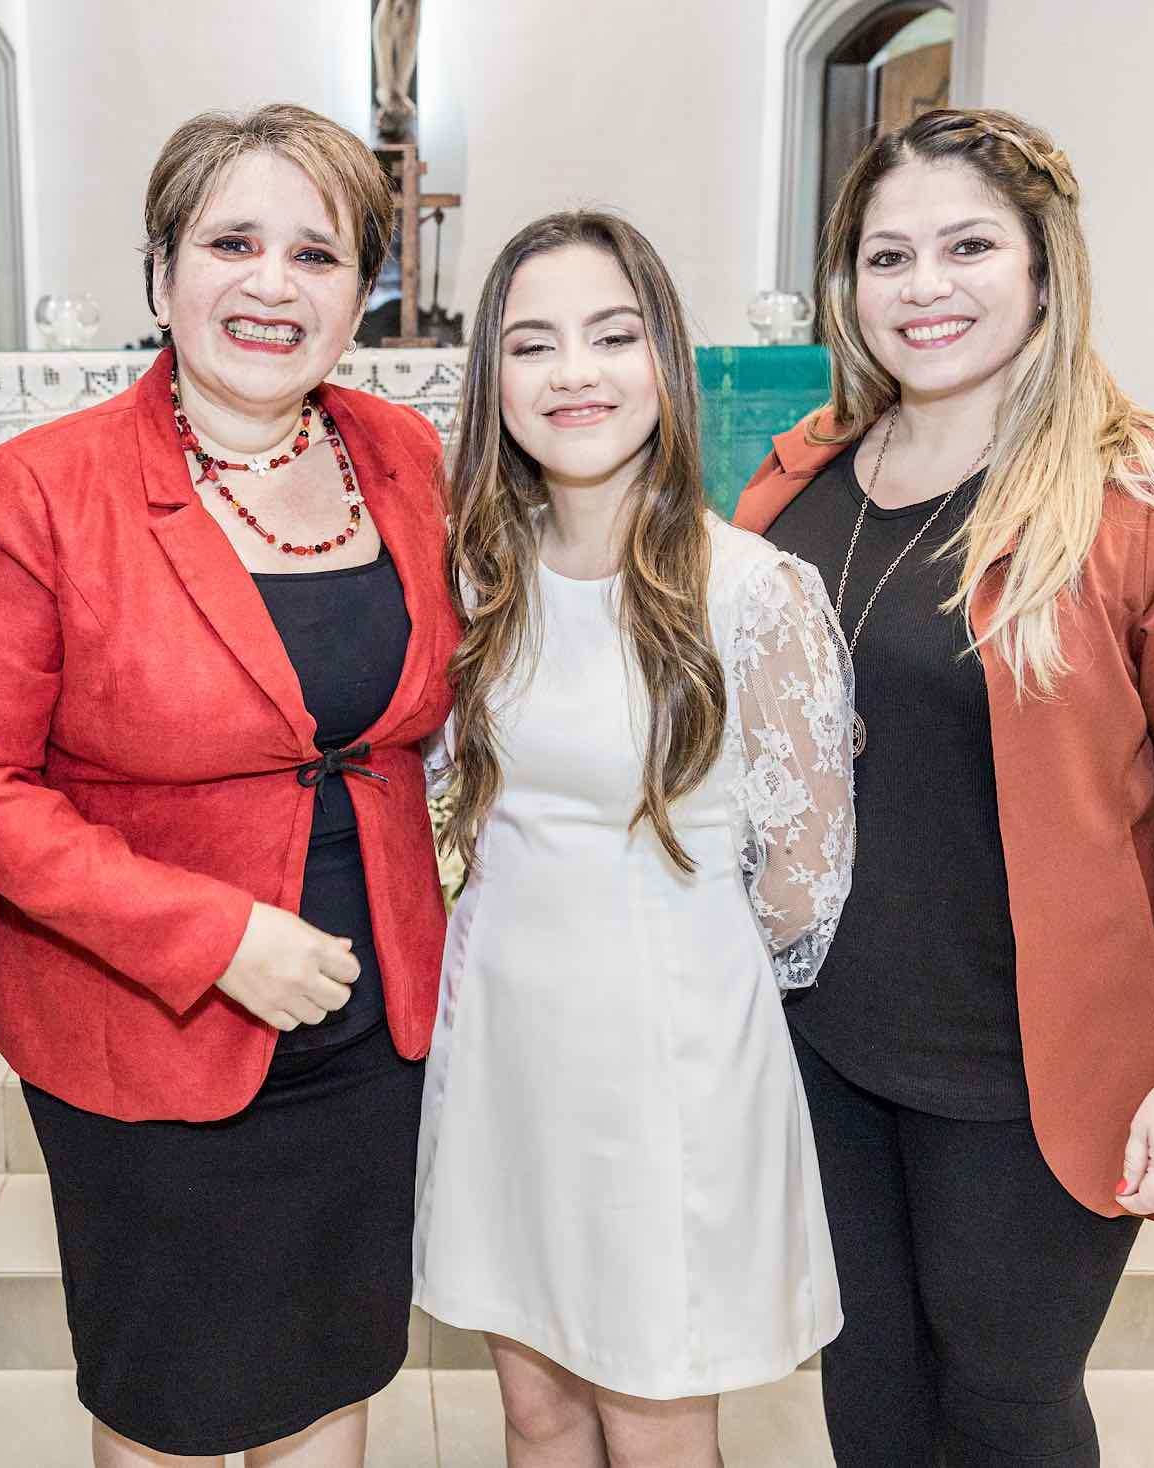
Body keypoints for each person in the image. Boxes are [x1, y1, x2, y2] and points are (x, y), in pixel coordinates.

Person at [0, 103, 460, 1467]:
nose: (273, 284)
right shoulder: (38, 487)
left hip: (373, 1016)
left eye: (316, 254)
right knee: (171, 1404)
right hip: (146, 1026)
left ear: (361, 297)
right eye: (231, 243)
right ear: (159, 277)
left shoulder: (405, 455)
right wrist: (210, 937)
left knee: (332, 1373)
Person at [737, 108, 1154, 1466]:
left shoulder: (1145, 491)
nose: (923, 287)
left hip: (1024, 1063)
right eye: (888, 256)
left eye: (968, 247)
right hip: (818, 1043)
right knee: (869, 1394)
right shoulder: (801, 475)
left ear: (1044, 265)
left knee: (1002, 1407)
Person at [413, 211, 853, 1468]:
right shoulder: (475, 577)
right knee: (537, 1411)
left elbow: (804, 880)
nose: (575, 373)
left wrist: (680, 975)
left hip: (667, 1056)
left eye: (611, 336)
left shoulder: (752, 590)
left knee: (654, 1421)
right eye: (533, 343)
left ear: (665, 357)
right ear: (493, 378)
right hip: (505, 1039)